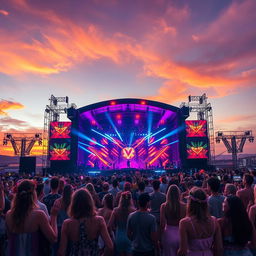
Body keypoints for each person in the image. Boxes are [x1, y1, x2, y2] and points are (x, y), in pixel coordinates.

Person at [5, 180, 58, 256]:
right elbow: (53, 239)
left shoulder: (9, 215)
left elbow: (10, 238)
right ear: (33, 194)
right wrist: (54, 216)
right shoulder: (39, 215)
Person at [58, 188, 113, 256]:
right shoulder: (99, 221)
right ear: (90, 202)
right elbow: (110, 246)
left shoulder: (67, 223)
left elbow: (61, 252)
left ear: (74, 204)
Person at [178, 187, 222, 256]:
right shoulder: (214, 221)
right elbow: (219, 248)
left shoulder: (185, 223)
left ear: (190, 203)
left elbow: (183, 251)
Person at [160, 185, 186, 256]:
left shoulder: (164, 206)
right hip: (181, 234)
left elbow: (162, 224)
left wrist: (160, 238)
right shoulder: (184, 206)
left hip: (168, 234)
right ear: (178, 194)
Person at [109, 191, 135, 256]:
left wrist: (113, 233)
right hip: (130, 236)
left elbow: (109, 225)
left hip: (119, 236)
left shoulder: (115, 210)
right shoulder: (133, 211)